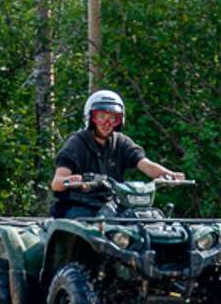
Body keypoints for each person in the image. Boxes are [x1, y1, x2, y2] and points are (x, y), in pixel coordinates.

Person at [48, 90, 184, 219]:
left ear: (119, 120)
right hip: (79, 206)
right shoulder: (76, 144)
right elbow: (57, 183)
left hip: (112, 206)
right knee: (84, 224)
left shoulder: (121, 141)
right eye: (101, 117)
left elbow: (146, 165)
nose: (106, 124)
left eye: (112, 118)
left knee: (144, 219)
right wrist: (71, 182)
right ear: (91, 118)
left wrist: (169, 175)